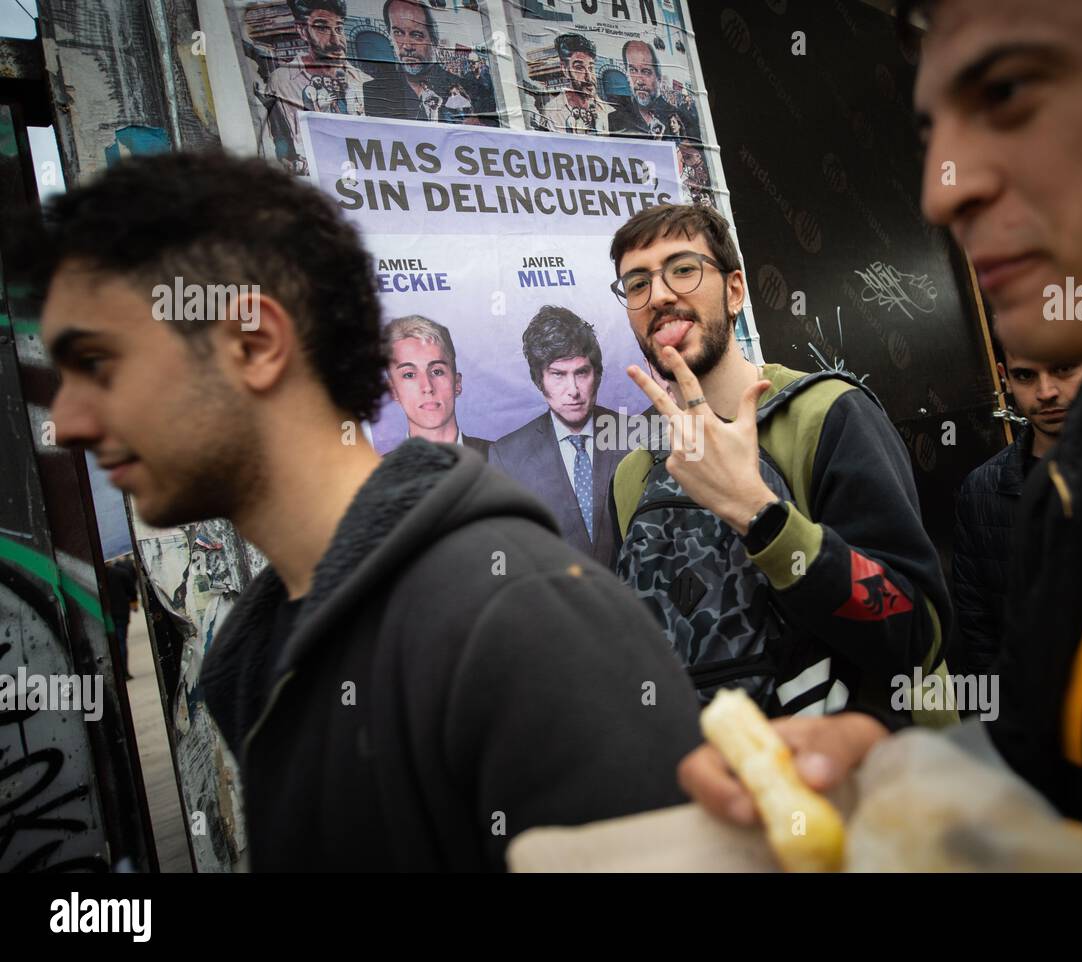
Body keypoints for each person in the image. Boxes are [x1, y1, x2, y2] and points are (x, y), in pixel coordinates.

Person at [680, 0, 1082, 872]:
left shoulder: (835, 419)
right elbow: (1047, 786)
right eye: (934, 130)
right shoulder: (1080, 484)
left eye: (1008, 91)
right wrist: (897, 770)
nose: (944, 188)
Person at [23, 151, 700, 871]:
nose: (66, 421)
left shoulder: (518, 618)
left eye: (99, 363)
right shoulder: (262, 654)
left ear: (254, 345)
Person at [609, 203, 953, 723]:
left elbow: (915, 635)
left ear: (734, 291)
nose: (658, 295)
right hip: (731, 784)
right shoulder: (634, 472)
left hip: (874, 778)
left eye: (683, 269)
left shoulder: (828, 415)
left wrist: (759, 513)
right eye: (636, 284)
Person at [950, 350, 1082, 675]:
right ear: (1005, 378)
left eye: (1063, 368)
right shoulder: (982, 489)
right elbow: (978, 627)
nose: (1046, 392)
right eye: (1026, 375)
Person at [489, 307, 627, 567]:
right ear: (538, 380)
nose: (573, 390)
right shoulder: (507, 456)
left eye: (581, 373)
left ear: (596, 375)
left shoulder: (636, 437)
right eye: (558, 375)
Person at [265, 0, 369, 167]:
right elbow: (278, 138)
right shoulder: (281, 81)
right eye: (322, 28)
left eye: (339, 28)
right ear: (302, 30)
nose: (336, 40)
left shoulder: (363, 80)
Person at [362, 0, 496, 125]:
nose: (407, 46)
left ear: (434, 40)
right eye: (398, 32)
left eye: (416, 35)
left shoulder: (471, 91)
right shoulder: (372, 92)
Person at [383, 315, 488, 454]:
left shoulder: (504, 460)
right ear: (393, 390)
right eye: (409, 375)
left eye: (437, 371)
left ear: (457, 383)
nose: (427, 387)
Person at [609, 40, 700, 143]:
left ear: (659, 78)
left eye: (646, 72)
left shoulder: (678, 117)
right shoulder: (614, 120)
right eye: (632, 70)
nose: (639, 81)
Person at [539, 33, 613, 135]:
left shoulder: (609, 111)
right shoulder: (551, 113)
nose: (589, 77)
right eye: (579, 68)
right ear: (565, 69)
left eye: (591, 67)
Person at [104, 556, 139, 680]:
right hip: (120, 613)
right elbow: (132, 591)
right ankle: (124, 672)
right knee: (121, 642)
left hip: (105, 615)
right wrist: (134, 604)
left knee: (108, 645)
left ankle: (114, 673)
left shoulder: (95, 576)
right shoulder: (119, 573)